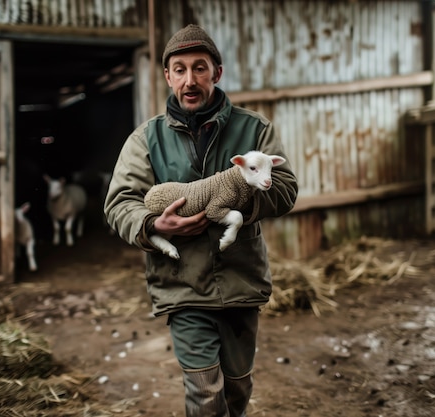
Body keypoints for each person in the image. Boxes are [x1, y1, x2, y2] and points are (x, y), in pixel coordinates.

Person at [104, 24, 298, 417]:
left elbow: (285, 189)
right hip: (182, 282)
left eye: (200, 68)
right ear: (167, 76)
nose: (189, 80)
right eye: (179, 69)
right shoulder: (146, 139)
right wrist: (153, 226)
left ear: (217, 72)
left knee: (237, 390)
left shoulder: (253, 129)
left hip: (241, 279)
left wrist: (239, 204)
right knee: (205, 393)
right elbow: (120, 203)